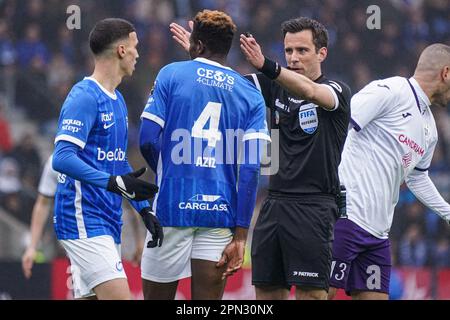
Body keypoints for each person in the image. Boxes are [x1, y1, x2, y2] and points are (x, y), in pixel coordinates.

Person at [170, 16, 351, 300]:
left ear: (322, 53)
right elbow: (224, 85)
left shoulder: (336, 91)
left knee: (311, 295)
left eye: (302, 51)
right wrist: (200, 57)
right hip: (273, 205)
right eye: (288, 50)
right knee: (265, 295)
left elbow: (310, 91)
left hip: (314, 206)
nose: (293, 57)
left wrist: (268, 65)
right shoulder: (273, 86)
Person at [140, 10, 270, 300]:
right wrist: (240, 235)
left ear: (196, 45)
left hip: (172, 207)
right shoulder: (251, 95)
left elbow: (147, 140)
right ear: (227, 48)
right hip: (220, 214)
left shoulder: (171, 74)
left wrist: (169, 170)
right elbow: (251, 171)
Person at [328, 43, 450, 300]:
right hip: (345, 219)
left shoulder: (429, 128)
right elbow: (340, 122)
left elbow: (417, 177)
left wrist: (448, 212)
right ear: (446, 73)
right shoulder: (390, 90)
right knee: (318, 296)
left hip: (378, 235)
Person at [51, 18, 163, 300]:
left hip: (107, 220)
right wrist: (112, 182)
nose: (139, 53)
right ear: (122, 50)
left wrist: (143, 209)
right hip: (82, 219)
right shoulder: (84, 97)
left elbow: (116, 163)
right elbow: (62, 158)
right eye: (135, 46)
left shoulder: (117, 100)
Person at [21, 155, 147, 279]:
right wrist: (32, 247)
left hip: (114, 235)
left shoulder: (106, 155)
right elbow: (43, 203)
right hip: (79, 239)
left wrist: (140, 241)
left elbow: (130, 201)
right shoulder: (55, 161)